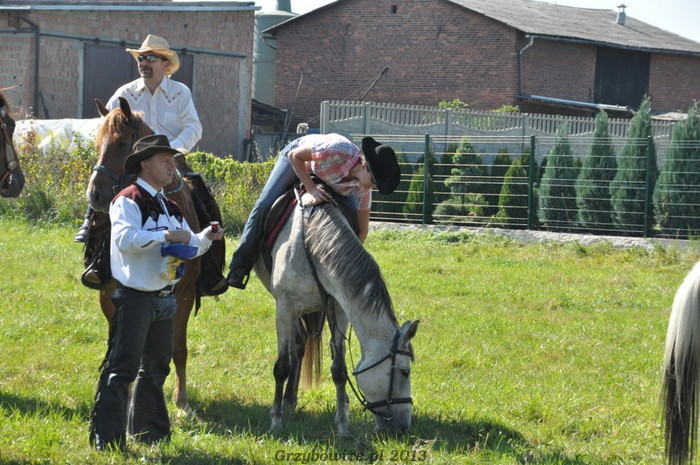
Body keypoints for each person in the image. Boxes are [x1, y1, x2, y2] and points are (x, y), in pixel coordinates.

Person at [89, 134, 224, 451]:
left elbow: (189, 244)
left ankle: (149, 434)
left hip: (166, 298)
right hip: (134, 298)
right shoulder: (126, 200)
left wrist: (206, 236)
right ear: (145, 165)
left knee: (156, 369)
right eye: (165, 161)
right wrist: (165, 235)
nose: (172, 167)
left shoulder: (170, 205)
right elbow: (124, 240)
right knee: (122, 369)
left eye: (172, 162)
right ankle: (106, 439)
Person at [225, 134, 400, 290]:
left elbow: (362, 231)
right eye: (373, 182)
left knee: (351, 224)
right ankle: (239, 266)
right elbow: (295, 156)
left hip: (328, 176)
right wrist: (311, 188)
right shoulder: (338, 149)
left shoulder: (362, 190)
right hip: (299, 160)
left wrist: (349, 260)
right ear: (364, 165)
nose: (371, 187)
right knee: (265, 204)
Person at [75, 34, 202, 242]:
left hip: (172, 161)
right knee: (106, 183)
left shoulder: (181, 93)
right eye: (141, 58)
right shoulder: (125, 92)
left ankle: (210, 245)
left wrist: (170, 152)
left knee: (203, 196)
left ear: (165, 64)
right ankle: (90, 223)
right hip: (132, 165)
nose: (143, 63)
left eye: (150, 58)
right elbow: (106, 127)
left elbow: (193, 128)